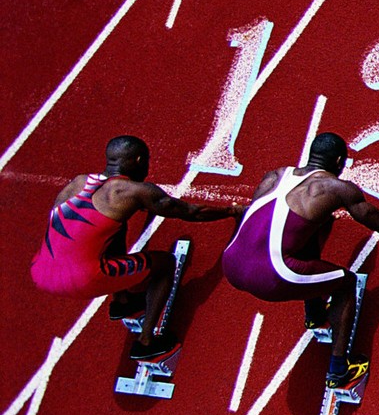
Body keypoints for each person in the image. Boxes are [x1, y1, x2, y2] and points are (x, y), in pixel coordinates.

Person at [222, 132, 379, 394]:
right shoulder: (336, 188)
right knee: (345, 282)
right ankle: (340, 371)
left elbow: (262, 222)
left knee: (317, 223)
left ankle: (315, 315)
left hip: (233, 263)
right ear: (339, 161)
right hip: (273, 276)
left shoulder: (274, 175)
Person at [31, 135, 240, 361]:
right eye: (147, 161)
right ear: (139, 160)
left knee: (112, 229)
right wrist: (231, 212)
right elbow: (191, 212)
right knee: (165, 264)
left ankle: (122, 301)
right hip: (84, 278)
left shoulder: (78, 183)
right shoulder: (132, 191)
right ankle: (147, 342)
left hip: (40, 272)